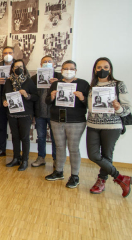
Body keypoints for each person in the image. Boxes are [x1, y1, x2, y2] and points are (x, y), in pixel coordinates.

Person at [86, 57, 131, 197]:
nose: (102, 70)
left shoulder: (119, 84)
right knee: (93, 155)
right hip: (93, 124)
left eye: (106, 67)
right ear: (95, 69)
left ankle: (101, 181)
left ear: (110, 69)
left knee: (106, 155)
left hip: (112, 126)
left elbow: (127, 108)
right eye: (99, 67)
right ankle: (121, 178)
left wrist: (118, 108)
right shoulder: (91, 86)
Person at [45, 60, 89, 188]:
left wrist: (82, 98)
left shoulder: (83, 84)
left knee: (73, 149)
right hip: (56, 120)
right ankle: (58, 171)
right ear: (62, 70)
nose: (68, 71)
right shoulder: (56, 84)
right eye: (65, 68)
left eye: (71, 68)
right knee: (59, 147)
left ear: (75, 70)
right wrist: (52, 97)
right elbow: (47, 101)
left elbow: (90, 104)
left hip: (76, 121)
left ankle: (75, 175)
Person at [2, 59, 38, 171]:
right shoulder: (8, 81)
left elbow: (35, 96)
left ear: (24, 68)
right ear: (12, 68)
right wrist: (4, 101)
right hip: (12, 113)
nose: (18, 68)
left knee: (25, 137)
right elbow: (4, 95)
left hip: (25, 114)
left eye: (21, 66)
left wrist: (27, 95)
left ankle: (25, 160)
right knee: (15, 137)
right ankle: (16, 158)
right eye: (16, 66)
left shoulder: (28, 81)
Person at [31, 56, 62, 168]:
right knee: (41, 136)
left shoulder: (60, 77)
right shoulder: (34, 78)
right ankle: (41, 157)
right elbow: (33, 95)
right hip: (40, 113)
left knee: (55, 137)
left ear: (54, 64)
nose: (47, 63)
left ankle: (56, 159)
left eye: (49, 61)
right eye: (44, 62)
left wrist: (58, 83)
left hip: (54, 113)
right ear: (41, 64)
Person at [0, 46, 14, 159]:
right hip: (1, 102)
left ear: (13, 54)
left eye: (10, 52)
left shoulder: (19, 66)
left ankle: (17, 153)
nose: (7, 54)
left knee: (15, 129)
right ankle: (1, 149)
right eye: (5, 53)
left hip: (14, 102)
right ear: (2, 55)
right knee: (2, 127)